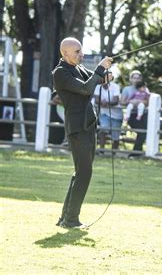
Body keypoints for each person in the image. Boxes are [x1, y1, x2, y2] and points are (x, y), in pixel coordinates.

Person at [52, 37, 112, 228]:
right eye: (77, 52)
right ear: (65, 53)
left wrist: (106, 74)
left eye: (81, 50)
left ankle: (65, 217)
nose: (81, 54)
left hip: (88, 125)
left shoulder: (77, 67)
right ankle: (71, 219)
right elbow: (86, 89)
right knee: (84, 173)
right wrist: (100, 69)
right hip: (77, 128)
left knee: (81, 172)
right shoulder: (60, 72)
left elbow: (96, 79)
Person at [94, 71, 123, 151]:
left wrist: (106, 103)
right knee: (103, 130)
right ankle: (101, 150)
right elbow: (96, 100)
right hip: (104, 113)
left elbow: (115, 100)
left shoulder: (115, 86)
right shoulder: (98, 87)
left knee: (115, 135)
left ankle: (114, 152)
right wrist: (102, 102)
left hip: (116, 115)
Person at [121, 70, 147, 154]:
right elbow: (122, 102)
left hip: (143, 114)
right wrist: (131, 102)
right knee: (142, 131)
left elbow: (148, 101)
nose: (136, 80)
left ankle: (137, 152)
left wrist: (140, 102)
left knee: (144, 132)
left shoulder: (145, 89)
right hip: (132, 115)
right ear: (131, 79)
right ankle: (136, 153)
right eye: (134, 78)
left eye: (138, 78)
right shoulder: (126, 89)